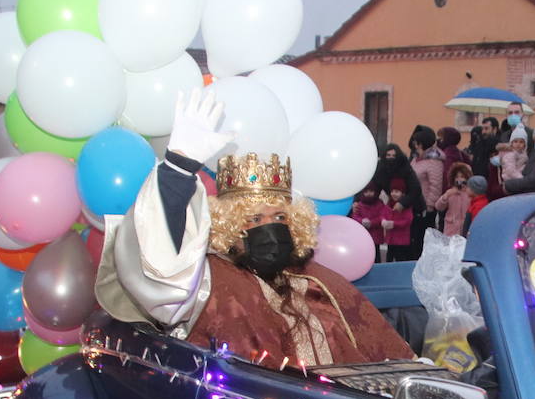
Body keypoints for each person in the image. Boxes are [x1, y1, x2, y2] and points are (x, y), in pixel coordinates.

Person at [94, 90, 413, 366]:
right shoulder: (208, 281)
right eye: (254, 220)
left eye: (280, 217)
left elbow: (380, 347)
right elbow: (162, 270)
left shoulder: (318, 279)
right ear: (231, 228)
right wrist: (178, 169)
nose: (270, 228)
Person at [374, 143, 424, 261]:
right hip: (393, 207)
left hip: (413, 207)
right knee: (393, 244)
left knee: (411, 244)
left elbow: (416, 189)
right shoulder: (381, 169)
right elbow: (374, 187)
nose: (391, 158)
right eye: (388, 155)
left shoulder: (405, 168)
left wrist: (403, 203)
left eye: (394, 155)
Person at [436, 162, 473, 236]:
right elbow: (438, 206)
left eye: (462, 176)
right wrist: (446, 196)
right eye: (457, 177)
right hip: (451, 230)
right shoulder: (450, 192)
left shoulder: (470, 193)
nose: (459, 179)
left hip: (466, 230)